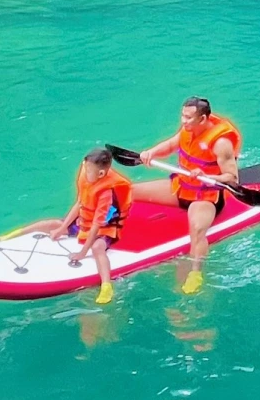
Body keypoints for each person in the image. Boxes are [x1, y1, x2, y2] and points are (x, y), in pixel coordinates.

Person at [133, 97, 241, 295]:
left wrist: (206, 175)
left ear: (202, 119)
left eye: (189, 118)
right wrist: (151, 153)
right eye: (183, 116)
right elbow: (171, 145)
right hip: (181, 188)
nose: (184, 121)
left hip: (205, 197)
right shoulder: (188, 129)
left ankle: (196, 273)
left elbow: (232, 178)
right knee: (128, 191)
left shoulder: (221, 143)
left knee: (198, 229)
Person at [27, 148, 132, 305]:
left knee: (97, 248)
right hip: (84, 222)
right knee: (54, 224)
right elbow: (80, 202)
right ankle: (14, 234)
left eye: (89, 170)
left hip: (104, 230)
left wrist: (83, 252)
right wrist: (63, 228)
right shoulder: (87, 177)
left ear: (101, 174)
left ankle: (106, 286)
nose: (85, 171)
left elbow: (97, 225)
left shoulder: (106, 193)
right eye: (86, 166)